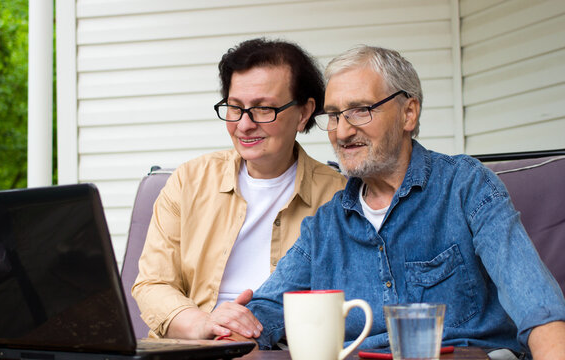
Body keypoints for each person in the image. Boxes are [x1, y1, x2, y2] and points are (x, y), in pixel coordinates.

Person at [226, 45, 565, 359]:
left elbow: (538, 309)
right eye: (333, 115)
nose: (342, 132)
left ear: (409, 114)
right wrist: (236, 322)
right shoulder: (327, 225)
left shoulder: (465, 187)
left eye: (360, 111)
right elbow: (266, 310)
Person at [131, 38, 347, 340]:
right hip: (192, 346)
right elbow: (152, 283)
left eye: (263, 109)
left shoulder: (340, 197)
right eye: (234, 108)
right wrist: (200, 323)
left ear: (303, 113)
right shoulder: (188, 181)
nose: (244, 125)